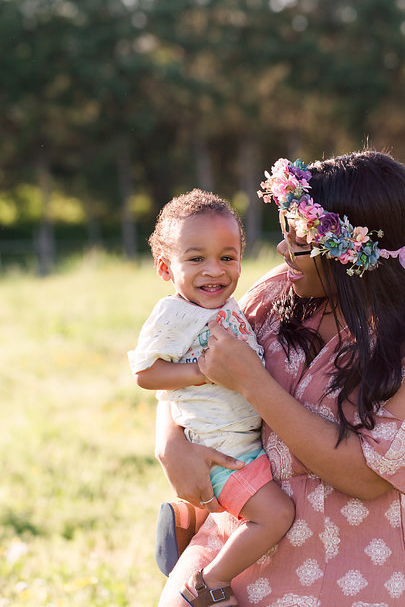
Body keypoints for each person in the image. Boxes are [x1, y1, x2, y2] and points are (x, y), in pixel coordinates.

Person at [156, 152, 405, 606]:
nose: (284, 252)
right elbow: (192, 359)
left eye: (299, 242)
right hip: (238, 544)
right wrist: (169, 441)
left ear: (346, 251)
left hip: (351, 566)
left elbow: (367, 478)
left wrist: (255, 385)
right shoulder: (277, 291)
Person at [129, 189, 296, 607]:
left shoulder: (226, 306)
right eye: (196, 258)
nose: (214, 271)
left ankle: (189, 519)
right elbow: (145, 372)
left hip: (239, 440)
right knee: (276, 515)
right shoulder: (174, 314)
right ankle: (207, 584)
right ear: (166, 268)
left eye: (227, 257)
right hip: (223, 450)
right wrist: (200, 372)